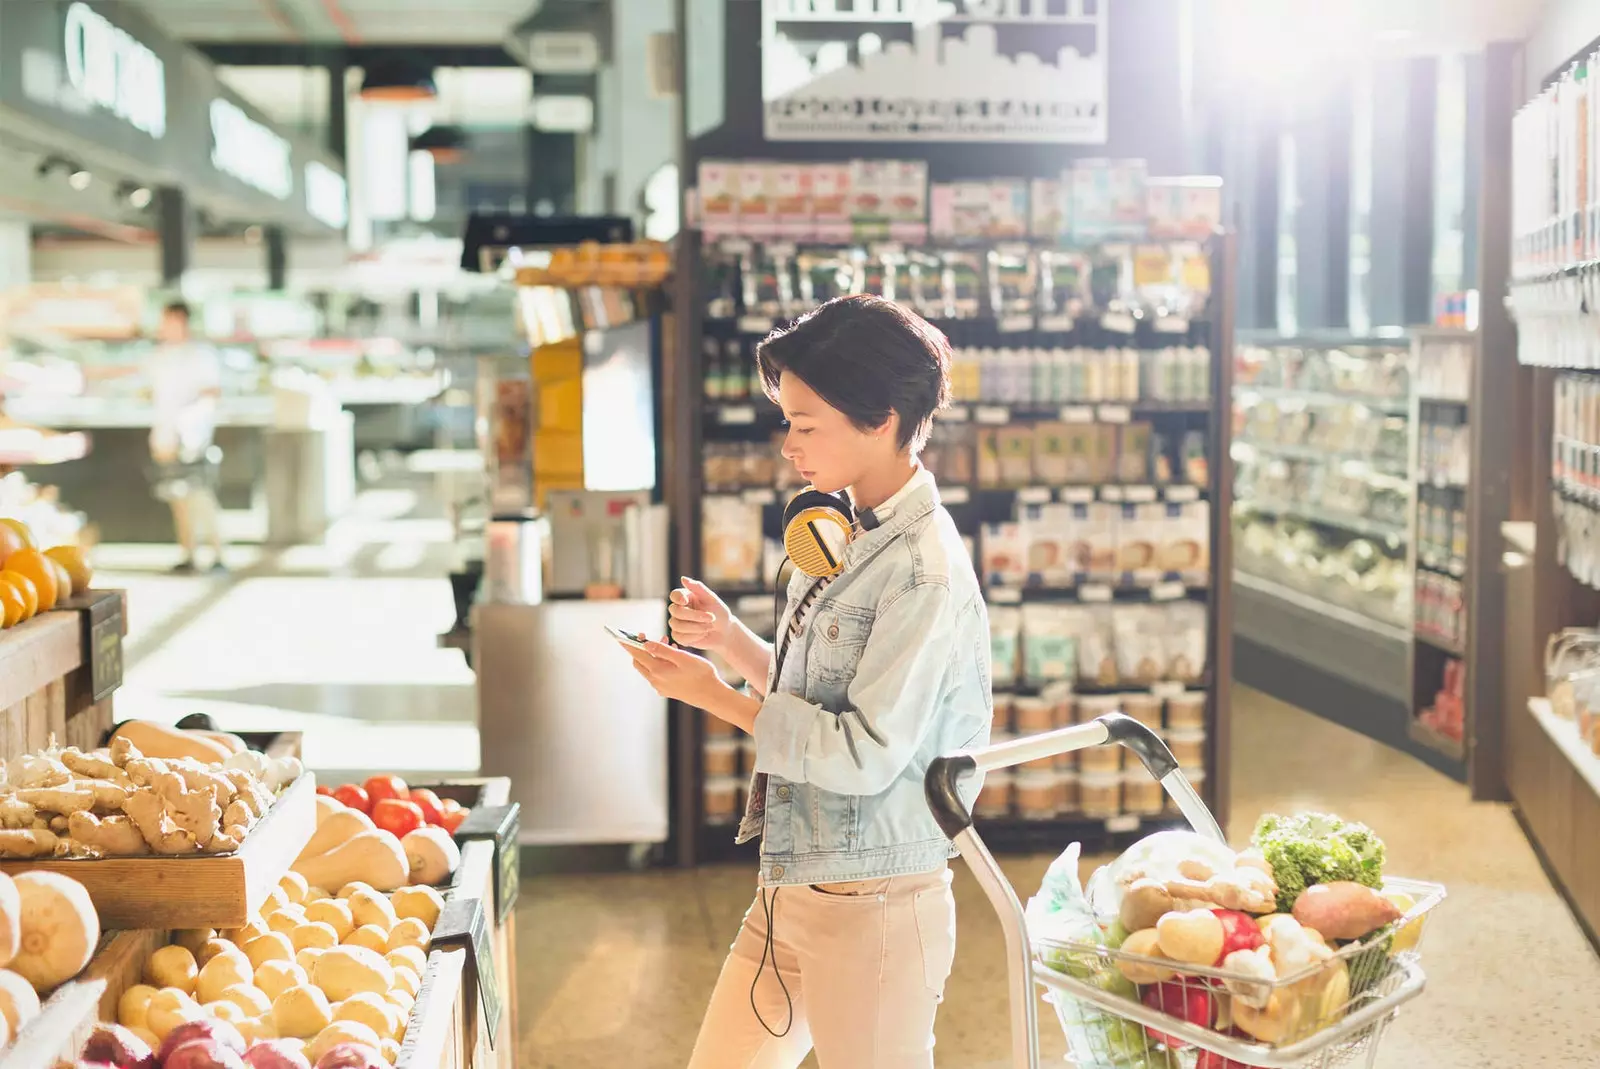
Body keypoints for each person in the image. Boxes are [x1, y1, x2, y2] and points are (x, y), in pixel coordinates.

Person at [627, 294, 992, 1069]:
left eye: (806, 422)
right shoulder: (848, 522)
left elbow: (861, 753)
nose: (788, 443)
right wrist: (728, 641)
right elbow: (817, 693)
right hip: (796, 884)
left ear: (883, 418)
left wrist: (716, 699)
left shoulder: (922, 571)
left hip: (878, 907)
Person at [147, 300, 225, 573]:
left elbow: (211, 394)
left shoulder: (201, 355)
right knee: (177, 498)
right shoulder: (159, 356)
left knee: (201, 497)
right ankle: (188, 553)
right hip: (165, 438)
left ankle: (217, 555)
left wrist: (188, 423)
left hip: (194, 438)